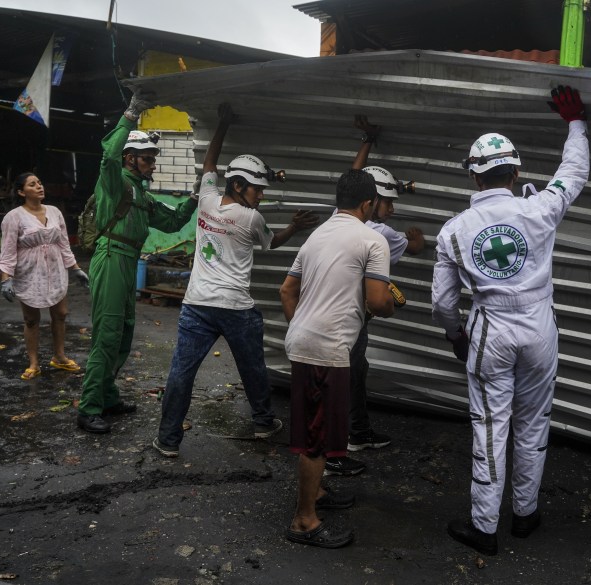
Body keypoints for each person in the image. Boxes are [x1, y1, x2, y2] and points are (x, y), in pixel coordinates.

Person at [431, 85, 589, 556]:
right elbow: (574, 172)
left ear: (475, 179)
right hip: (540, 331)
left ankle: (485, 527)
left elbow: (442, 301)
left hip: (489, 332)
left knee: (490, 426)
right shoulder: (539, 208)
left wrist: (457, 335)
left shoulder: (454, 231)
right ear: (515, 170)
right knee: (534, 422)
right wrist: (575, 123)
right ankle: (525, 514)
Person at [152, 104, 318, 458]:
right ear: (239, 185)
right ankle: (262, 422)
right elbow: (272, 242)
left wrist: (223, 122)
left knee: (182, 372)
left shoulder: (208, 200)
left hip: (196, 305)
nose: (262, 195)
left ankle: (168, 440)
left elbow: (209, 164)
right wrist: (295, 226)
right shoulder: (251, 219)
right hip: (236, 309)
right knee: (253, 367)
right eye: (257, 188)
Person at [279, 169, 395, 549]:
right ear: (368, 204)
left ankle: (318, 494)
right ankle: (304, 520)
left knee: (321, 429)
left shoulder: (318, 235)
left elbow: (286, 290)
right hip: (325, 351)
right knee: (316, 437)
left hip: (306, 343)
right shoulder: (372, 239)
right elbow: (378, 301)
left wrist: (305, 330)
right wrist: (390, 303)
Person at [77, 89, 200, 434]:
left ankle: (107, 395)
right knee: (108, 334)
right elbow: (107, 157)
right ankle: (88, 408)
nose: (153, 164)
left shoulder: (141, 195)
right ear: (130, 159)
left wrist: (195, 196)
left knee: (125, 333)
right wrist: (130, 115)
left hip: (128, 262)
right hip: (112, 257)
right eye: (147, 158)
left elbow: (175, 222)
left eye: (153, 158)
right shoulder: (114, 183)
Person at [325, 115, 425, 477]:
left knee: (353, 373)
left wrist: (367, 141)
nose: (393, 209)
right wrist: (418, 237)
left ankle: (358, 432)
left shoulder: (338, 218)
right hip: (352, 317)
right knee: (346, 377)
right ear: (373, 201)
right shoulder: (383, 234)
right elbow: (415, 247)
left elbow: (352, 177)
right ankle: (343, 444)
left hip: (330, 314)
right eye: (389, 203)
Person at [0, 172, 90, 381]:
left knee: (61, 314)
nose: (39, 186)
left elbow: (63, 244)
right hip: (29, 272)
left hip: (56, 269)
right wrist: (6, 278)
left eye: (39, 182)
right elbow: (8, 251)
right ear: (22, 192)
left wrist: (75, 268)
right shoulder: (14, 217)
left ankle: (59, 356)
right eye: (32, 184)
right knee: (31, 319)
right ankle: (33, 363)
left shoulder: (55, 212)